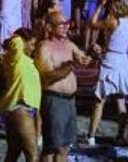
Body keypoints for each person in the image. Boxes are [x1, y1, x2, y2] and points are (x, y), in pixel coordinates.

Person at [35, 9, 90, 162]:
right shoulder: (44, 47)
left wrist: (92, 53)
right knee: (51, 147)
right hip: (54, 101)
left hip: (70, 101)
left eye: (67, 23)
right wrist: (70, 66)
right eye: (61, 24)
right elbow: (48, 76)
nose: (66, 27)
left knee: (65, 146)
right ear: (49, 27)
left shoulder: (69, 45)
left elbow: (83, 58)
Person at [85, 0, 128, 145]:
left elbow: (93, 23)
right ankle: (120, 136)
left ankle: (91, 135)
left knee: (99, 100)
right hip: (123, 60)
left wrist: (101, 5)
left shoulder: (113, 21)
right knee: (120, 101)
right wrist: (121, 46)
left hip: (111, 61)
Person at [0, 29, 41, 162]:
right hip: (19, 108)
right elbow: (16, 44)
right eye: (31, 44)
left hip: (26, 109)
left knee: (13, 154)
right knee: (32, 156)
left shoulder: (30, 62)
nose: (33, 48)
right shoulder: (14, 58)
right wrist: (16, 36)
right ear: (23, 42)